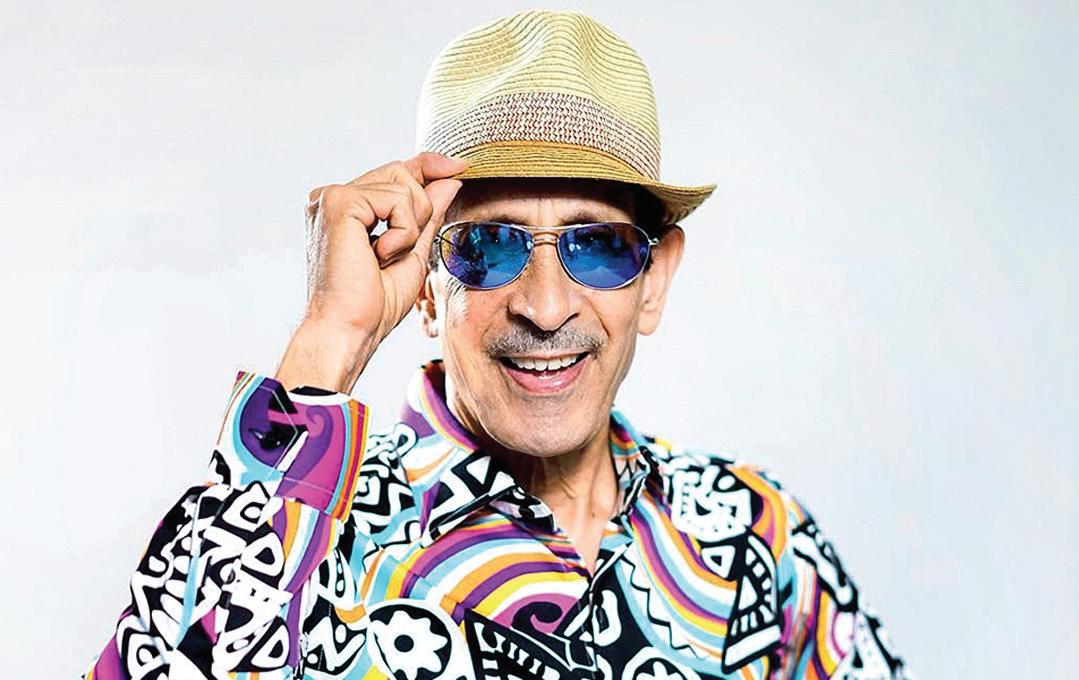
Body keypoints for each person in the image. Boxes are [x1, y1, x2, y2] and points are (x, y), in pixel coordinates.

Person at [85, 10, 909, 680]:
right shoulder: (318, 532)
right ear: (424, 285)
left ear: (654, 280)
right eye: (486, 248)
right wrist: (329, 341)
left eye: (597, 247)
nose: (545, 308)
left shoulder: (751, 531)